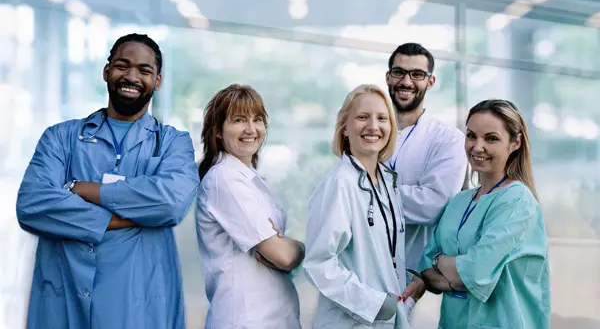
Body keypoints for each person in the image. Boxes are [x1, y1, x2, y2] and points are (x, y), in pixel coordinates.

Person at [16, 33, 199, 329]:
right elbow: (32, 204)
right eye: (122, 65)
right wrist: (126, 217)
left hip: (138, 307)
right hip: (64, 300)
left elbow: (171, 201)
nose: (131, 76)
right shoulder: (60, 137)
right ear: (106, 71)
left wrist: (82, 189)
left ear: (158, 81)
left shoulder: (172, 143)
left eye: (144, 70)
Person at [418, 99, 550, 329]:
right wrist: (456, 273)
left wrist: (446, 266)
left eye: (491, 138)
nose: (477, 147)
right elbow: (426, 268)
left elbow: (476, 271)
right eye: (471, 136)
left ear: (515, 142)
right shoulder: (459, 201)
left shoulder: (517, 201)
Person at [195, 84, 305, 329]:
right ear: (218, 131)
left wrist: (281, 246)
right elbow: (284, 256)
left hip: (272, 317)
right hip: (245, 319)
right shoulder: (223, 178)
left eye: (257, 120)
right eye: (239, 120)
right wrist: (300, 248)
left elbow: (278, 253)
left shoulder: (249, 179)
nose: (251, 129)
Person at [304, 84, 411, 328]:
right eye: (363, 117)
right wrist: (372, 304)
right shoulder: (339, 183)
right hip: (350, 321)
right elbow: (318, 263)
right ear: (345, 127)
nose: (373, 126)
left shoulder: (387, 180)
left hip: (388, 316)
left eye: (382, 118)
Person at [385, 43, 468, 296]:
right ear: (388, 77)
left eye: (417, 74)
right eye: (399, 72)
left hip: (409, 274)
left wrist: (365, 192)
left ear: (430, 82)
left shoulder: (448, 139)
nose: (406, 81)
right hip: (357, 266)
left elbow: (433, 205)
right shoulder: (370, 131)